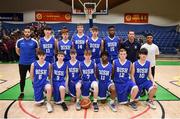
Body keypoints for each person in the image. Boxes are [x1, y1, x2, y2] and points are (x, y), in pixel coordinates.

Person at [16, 26, 39, 99]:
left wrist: (32, 58)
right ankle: (22, 92)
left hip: (32, 64)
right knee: (22, 79)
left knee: (34, 79)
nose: (27, 33)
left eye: (28, 32)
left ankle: (36, 93)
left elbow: (37, 51)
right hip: (22, 63)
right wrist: (23, 56)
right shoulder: (19, 41)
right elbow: (17, 51)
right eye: (26, 32)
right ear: (23, 32)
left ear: (30, 32)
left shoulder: (34, 41)